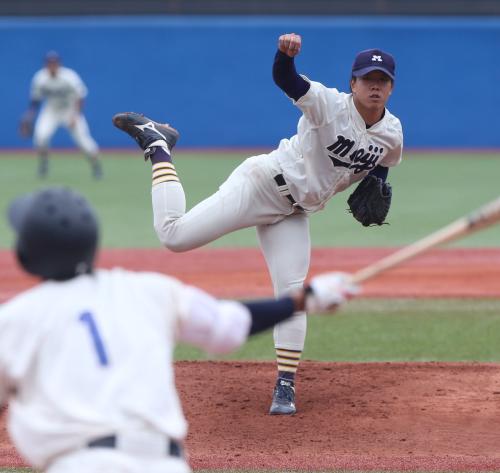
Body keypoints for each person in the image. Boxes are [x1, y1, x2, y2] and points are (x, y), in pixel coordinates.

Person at [112, 32, 403, 415]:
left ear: (391, 87)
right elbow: (288, 81)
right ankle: (158, 144)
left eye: (381, 82)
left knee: (294, 294)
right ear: (353, 84)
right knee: (174, 236)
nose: (375, 87)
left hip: (294, 213)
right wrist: (285, 56)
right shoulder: (329, 104)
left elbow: (382, 163)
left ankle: (285, 385)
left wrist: (377, 185)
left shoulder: (392, 134)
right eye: (367, 80)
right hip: (261, 185)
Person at [0, 186, 357, 473]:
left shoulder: (15, 320)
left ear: (26, 254)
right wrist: (306, 297)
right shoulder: (148, 290)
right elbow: (232, 323)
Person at [19, 51, 102, 179]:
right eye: (49, 63)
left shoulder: (69, 76)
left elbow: (81, 96)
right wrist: (29, 115)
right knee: (40, 138)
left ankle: (96, 166)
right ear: (46, 64)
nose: (52, 65)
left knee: (84, 141)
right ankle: (44, 164)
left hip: (70, 109)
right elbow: (35, 99)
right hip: (51, 110)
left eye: (54, 62)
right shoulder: (40, 78)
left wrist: (75, 115)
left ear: (59, 64)